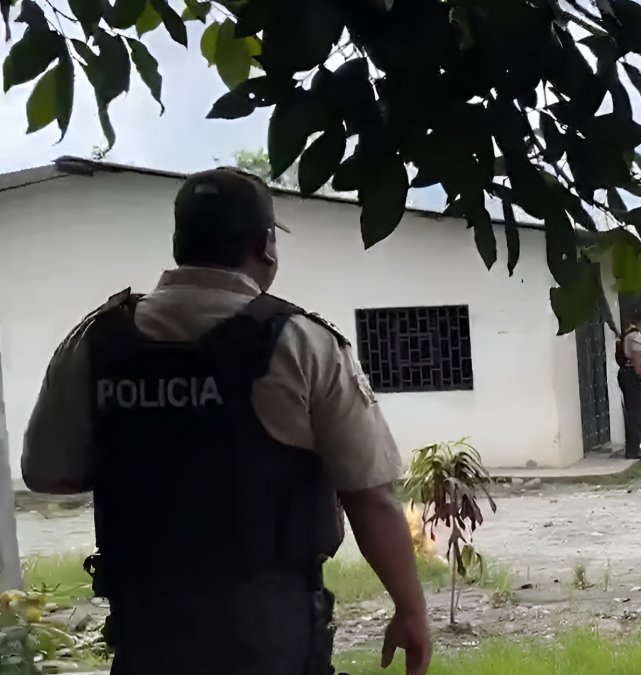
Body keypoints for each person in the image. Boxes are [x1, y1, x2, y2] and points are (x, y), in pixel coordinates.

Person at [20, 168, 432, 675]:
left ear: (178, 243)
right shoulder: (303, 343)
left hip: (149, 633)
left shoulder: (96, 342)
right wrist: (411, 610)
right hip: (269, 636)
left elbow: (46, 474)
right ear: (266, 247)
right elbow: (370, 496)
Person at [617, 306, 641, 459]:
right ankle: (634, 449)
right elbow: (637, 363)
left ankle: (631, 448)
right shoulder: (637, 337)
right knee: (636, 414)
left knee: (630, 412)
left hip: (624, 373)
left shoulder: (626, 333)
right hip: (632, 376)